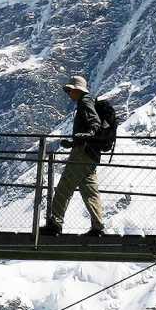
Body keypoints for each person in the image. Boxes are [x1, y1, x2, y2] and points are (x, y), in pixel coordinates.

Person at [43, 75, 106, 237]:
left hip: (82, 154)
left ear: (78, 90)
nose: (68, 93)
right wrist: (72, 143)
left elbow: (95, 123)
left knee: (65, 187)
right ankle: (98, 226)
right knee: (89, 190)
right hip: (91, 154)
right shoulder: (87, 101)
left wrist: (87, 135)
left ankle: (55, 224)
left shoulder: (85, 102)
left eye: (70, 90)